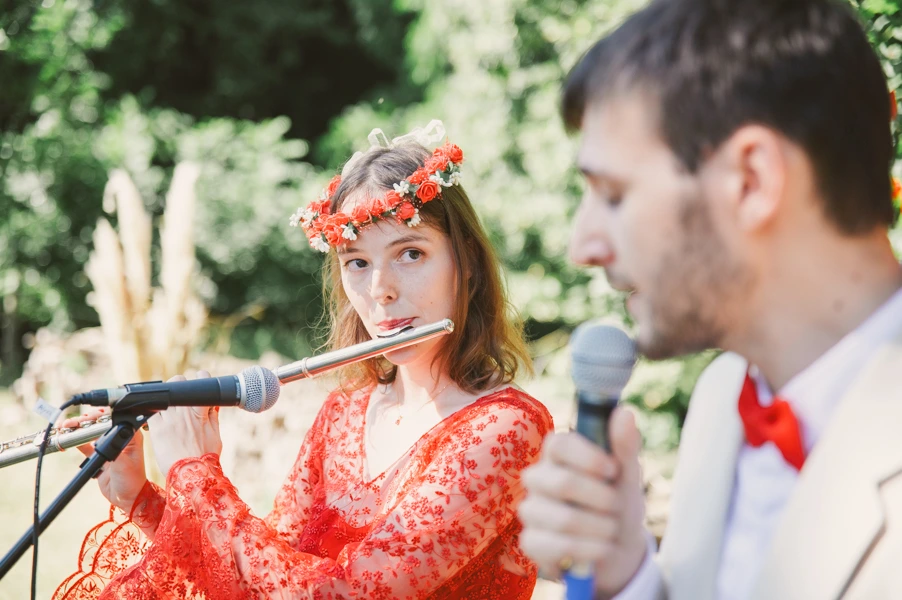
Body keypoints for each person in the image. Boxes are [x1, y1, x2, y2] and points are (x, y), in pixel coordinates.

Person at [53, 122, 554, 600]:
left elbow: (342, 593)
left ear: (464, 264)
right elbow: (261, 581)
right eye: (357, 262)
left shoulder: (506, 429)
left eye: (410, 254)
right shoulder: (345, 414)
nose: (381, 290)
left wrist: (192, 469)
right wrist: (140, 498)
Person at [516, 0, 902, 599]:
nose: (582, 247)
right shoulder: (722, 399)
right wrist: (628, 577)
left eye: (614, 195)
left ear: (751, 181)